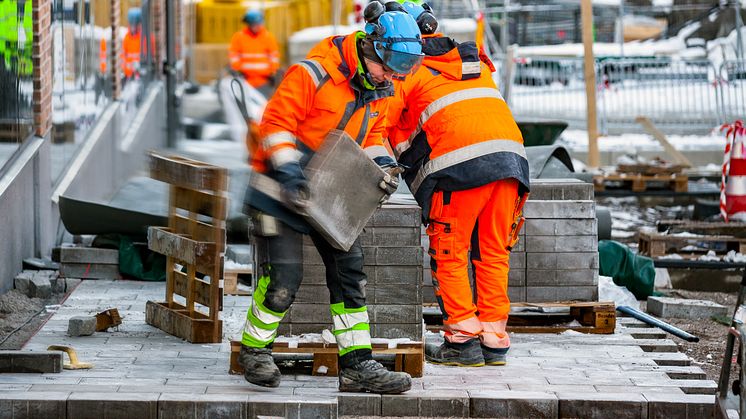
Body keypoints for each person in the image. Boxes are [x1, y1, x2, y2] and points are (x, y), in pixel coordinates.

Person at [238, 6, 424, 393]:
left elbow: (371, 136)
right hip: (277, 191)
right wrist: (289, 171)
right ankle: (255, 351)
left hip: (329, 194)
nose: (393, 78)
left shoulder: (380, 88)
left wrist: (384, 166)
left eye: (399, 71)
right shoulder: (314, 73)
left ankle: (357, 366)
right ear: (370, 48)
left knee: (349, 273)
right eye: (389, 68)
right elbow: (276, 124)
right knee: (285, 279)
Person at [387, 2, 530, 367]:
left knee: (450, 252)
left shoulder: (407, 70)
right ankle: (494, 339)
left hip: (458, 169)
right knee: (492, 252)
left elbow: (380, 120)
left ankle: (462, 341)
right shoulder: (472, 61)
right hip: (510, 162)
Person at [229, 10, 280, 98]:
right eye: (254, 24)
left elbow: (274, 57)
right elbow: (234, 55)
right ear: (249, 24)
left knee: (263, 107)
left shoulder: (268, 37)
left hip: (264, 81)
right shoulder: (239, 37)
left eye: (259, 24)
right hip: (245, 80)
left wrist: (273, 72)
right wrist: (237, 70)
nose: (257, 26)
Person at [122, 8, 142, 80]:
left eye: (135, 25)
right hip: (129, 77)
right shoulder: (126, 38)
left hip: (140, 77)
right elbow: (123, 56)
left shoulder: (144, 39)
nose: (133, 27)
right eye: (131, 24)